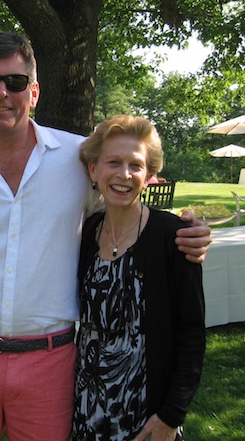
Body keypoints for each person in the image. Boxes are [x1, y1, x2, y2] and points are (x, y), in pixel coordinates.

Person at [0, 31, 211, 441]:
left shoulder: (77, 158)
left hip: (51, 363)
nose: (1, 93)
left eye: (15, 82)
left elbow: (124, 211)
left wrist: (183, 232)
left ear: (33, 93)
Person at [73, 115, 205, 441]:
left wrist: (171, 416)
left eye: (136, 165)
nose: (124, 174)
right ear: (94, 170)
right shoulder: (85, 235)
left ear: (149, 176)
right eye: (113, 162)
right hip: (87, 411)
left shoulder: (172, 237)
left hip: (147, 418)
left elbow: (191, 333)